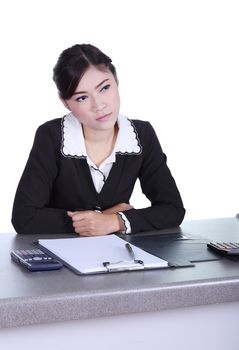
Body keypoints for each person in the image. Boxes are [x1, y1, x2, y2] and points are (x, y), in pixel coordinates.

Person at [11, 44, 185, 236]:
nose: (99, 105)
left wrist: (115, 221)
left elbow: (173, 209)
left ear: (116, 80)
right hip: (60, 256)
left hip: (118, 258)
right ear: (65, 102)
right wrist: (100, 218)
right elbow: (24, 217)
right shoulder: (52, 136)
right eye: (82, 98)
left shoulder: (141, 134)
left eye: (104, 88)